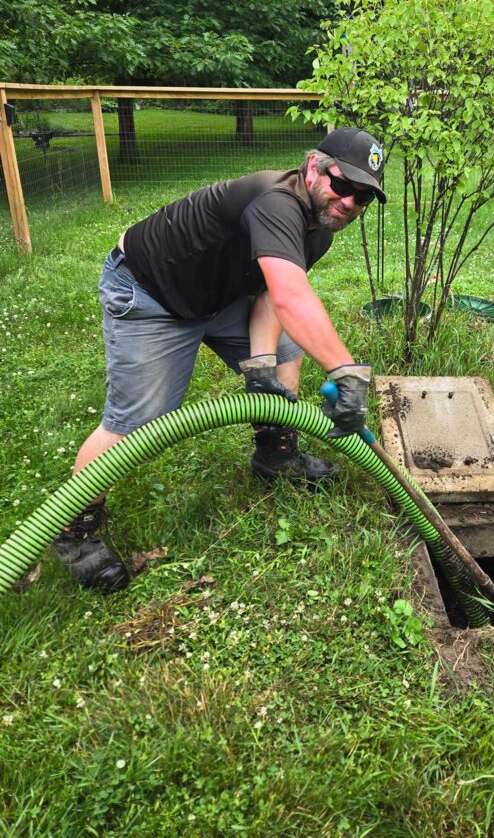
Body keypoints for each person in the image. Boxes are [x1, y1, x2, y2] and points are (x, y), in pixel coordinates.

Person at [52, 126, 386, 593]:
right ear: (313, 167)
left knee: (290, 353)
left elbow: (271, 294)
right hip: (152, 293)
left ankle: (275, 454)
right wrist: (346, 372)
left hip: (217, 297)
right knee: (139, 420)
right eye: (343, 184)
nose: (349, 202)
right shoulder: (275, 200)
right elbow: (292, 297)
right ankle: (72, 531)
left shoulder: (318, 229)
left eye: (363, 197)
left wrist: (262, 362)